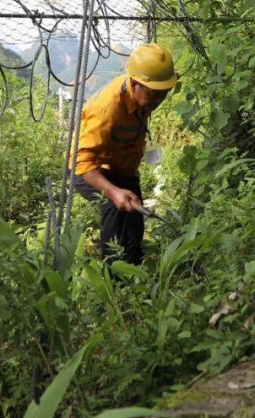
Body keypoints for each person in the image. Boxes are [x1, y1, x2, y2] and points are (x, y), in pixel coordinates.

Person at [71, 43, 177, 265]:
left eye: (164, 94)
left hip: (121, 167)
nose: (158, 100)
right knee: (114, 208)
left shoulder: (143, 96)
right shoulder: (107, 109)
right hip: (90, 170)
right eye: (154, 94)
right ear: (136, 84)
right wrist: (114, 192)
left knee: (134, 220)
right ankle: (113, 279)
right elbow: (83, 162)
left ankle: (134, 273)